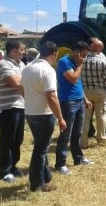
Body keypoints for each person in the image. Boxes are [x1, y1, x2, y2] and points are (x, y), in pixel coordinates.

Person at [21, 41, 67, 192]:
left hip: (30, 112)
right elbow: (52, 96)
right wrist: (60, 117)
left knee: (42, 147)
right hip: (44, 114)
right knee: (40, 150)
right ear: (54, 54)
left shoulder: (27, 68)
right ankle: (37, 185)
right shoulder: (48, 70)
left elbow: (23, 90)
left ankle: (46, 176)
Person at [55, 41, 93, 175]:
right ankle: (60, 164)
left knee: (77, 133)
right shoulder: (64, 62)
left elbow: (78, 84)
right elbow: (72, 79)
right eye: (83, 55)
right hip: (68, 102)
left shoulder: (76, 63)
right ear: (76, 52)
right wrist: (80, 64)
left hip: (79, 101)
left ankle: (78, 158)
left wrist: (85, 98)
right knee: (66, 134)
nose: (84, 58)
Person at [0, 40, 26, 183]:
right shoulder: (3, 64)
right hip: (8, 107)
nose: (24, 51)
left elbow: (23, 82)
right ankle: (4, 170)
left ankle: (13, 166)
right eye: (22, 49)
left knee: (18, 139)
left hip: (20, 106)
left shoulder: (21, 64)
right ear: (13, 50)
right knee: (7, 140)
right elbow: (16, 83)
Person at [80, 39, 106, 148]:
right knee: (101, 116)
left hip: (85, 92)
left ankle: (83, 142)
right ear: (98, 49)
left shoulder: (81, 59)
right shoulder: (102, 60)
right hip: (99, 91)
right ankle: (101, 140)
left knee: (85, 118)